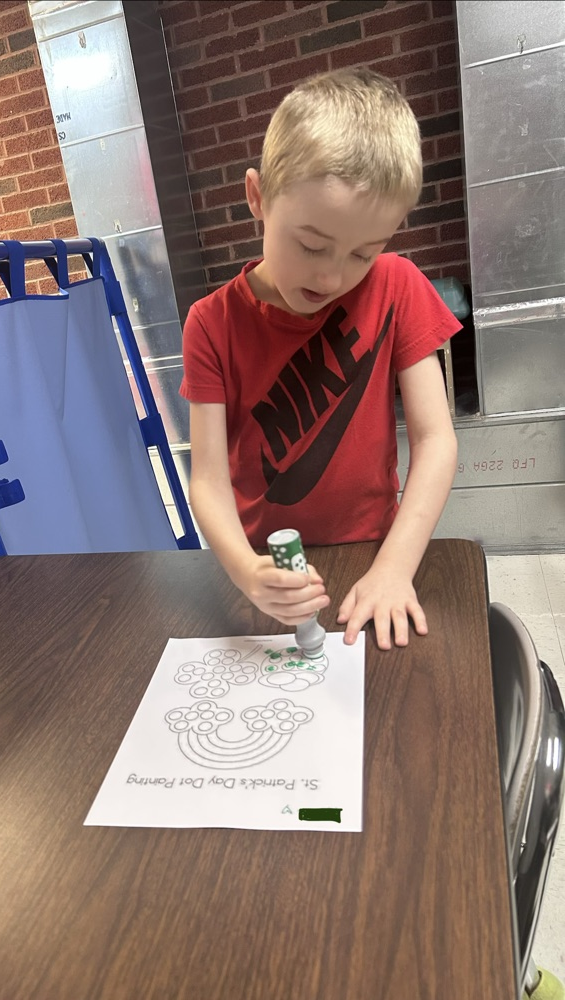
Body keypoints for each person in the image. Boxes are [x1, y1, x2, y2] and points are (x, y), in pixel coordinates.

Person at [179, 67, 461, 650]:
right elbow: (206, 480)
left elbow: (436, 441)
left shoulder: (398, 286)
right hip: (268, 569)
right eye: (311, 245)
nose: (332, 277)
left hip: (374, 554)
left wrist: (394, 568)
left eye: (363, 253)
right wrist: (246, 571)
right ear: (258, 197)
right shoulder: (210, 323)